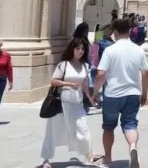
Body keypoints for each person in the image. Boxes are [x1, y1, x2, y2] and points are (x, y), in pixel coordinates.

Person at [94, 17, 148, 168]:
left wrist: (95, 93)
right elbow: (145, 74)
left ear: (116, 32)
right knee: (130, 124)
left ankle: (107, 159)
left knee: (108, 127)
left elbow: (100, 74)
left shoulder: (110, 50)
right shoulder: (138, 50)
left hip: (113, 94)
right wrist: (144, 93)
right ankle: (133, 146)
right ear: (130, 31)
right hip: (133, 93)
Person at [39, 39, 102, 168]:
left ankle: (89, 156)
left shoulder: (85, 65)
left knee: (83, 128)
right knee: (53, 131)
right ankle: (46, 159)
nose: (80, 51)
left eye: (82, 49)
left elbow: (84, 85)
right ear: (72, 50)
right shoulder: (64, 65)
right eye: (78, 48)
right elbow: (54, 81)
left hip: (77, 103)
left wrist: (90, 98)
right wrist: (69, 84)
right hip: (61, 103)